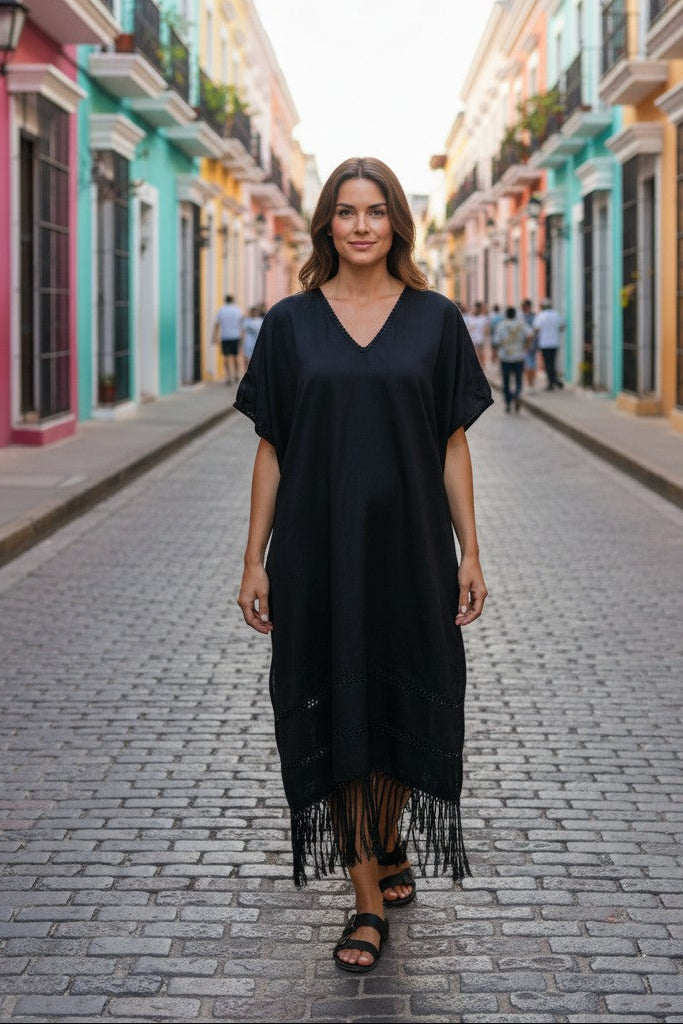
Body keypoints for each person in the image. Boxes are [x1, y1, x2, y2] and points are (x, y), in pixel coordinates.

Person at [234, 157, 493, 975]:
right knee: (337, 695)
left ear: (396, 225)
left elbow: (451, 442)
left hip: (411, 546)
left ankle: (386, 838)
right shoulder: (289, 324)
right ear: (325, 225)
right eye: (344, 212)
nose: (359, 226)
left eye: (374, 211)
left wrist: (470, 550)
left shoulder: (434, 320)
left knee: (403, 694)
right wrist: (254, 558)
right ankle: (365, 897)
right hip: (316, 550)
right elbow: (271, 447)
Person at [493, 306, 533, 412]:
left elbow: (496, 342)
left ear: (506, 315)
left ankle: (508, 403)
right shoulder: (521, 324)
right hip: (519, 357)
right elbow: (530, 335)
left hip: (505, 358)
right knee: (518, 380)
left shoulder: (501, 326)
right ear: (515, 314)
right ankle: (517, 394)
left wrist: (497, 353)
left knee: (506, 382)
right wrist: (526, 347)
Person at [533, 298, 565, 390]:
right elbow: (562, 326)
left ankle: (551, 382)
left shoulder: (540, 316)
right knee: (552, 362)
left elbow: (536, 329)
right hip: (554, 343)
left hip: (544, 343)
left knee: (547, 364)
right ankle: (554, 380)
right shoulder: (556, 315)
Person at [213, 295, 244, 385]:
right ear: (233, 300)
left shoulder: (221, 310)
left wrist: (214, 336)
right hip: (236, 336)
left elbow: (217, 324)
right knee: (235, 356)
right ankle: (236, 374)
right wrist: (242, 335)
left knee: (226, 357)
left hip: (225, 336)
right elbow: (242, 324)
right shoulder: (238, 310)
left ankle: (228, 376)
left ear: (225, 301)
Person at [520, 299, 538, 392]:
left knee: (530, 364)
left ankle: (531, 384)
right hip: (529, 343)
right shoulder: (533, 316)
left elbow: (535, 331)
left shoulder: (526, 317)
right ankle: (531, 384)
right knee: (531, 364)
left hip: (529, 343)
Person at [241, 305, 264, 371]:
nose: (254, 313)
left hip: (257, 341)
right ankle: (247, 371)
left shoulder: (261, 320)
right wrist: (242, 341)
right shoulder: (247, 321)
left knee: (257, 357)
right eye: (253, 312)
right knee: (247, 358)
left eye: (256, 312)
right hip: (248, 341)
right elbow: (243, 331)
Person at [467, 300, 489, 367]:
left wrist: (485, 331)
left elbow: (487, 329)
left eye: (477, 308)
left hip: (480, 338)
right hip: (472, 339)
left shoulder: (484, 318)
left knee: (481, 354)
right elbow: (468, 328)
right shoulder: (470, 317)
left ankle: (481, 367)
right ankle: (474, 367)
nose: (475, 309)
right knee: (473, 354)